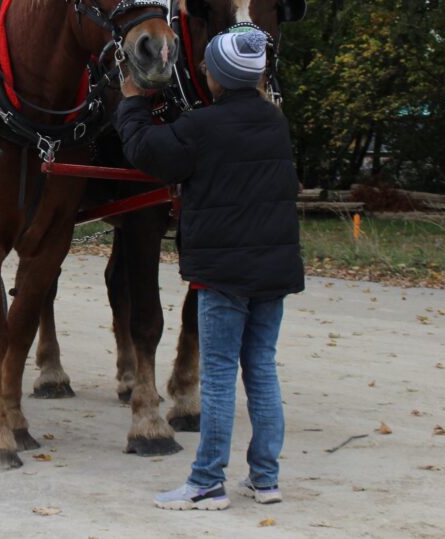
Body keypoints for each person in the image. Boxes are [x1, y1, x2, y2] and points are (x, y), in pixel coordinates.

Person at [116, 29, 304, 511]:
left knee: (218, 375)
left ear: (218, 78)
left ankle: (206, 482)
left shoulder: (202, 127)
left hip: (223, 274)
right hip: (273, 271)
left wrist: (133, 101)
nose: (202, 74)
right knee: (261, 370)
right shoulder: (274, 122)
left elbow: (146, 151)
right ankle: (265, 478)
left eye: (207, 69)